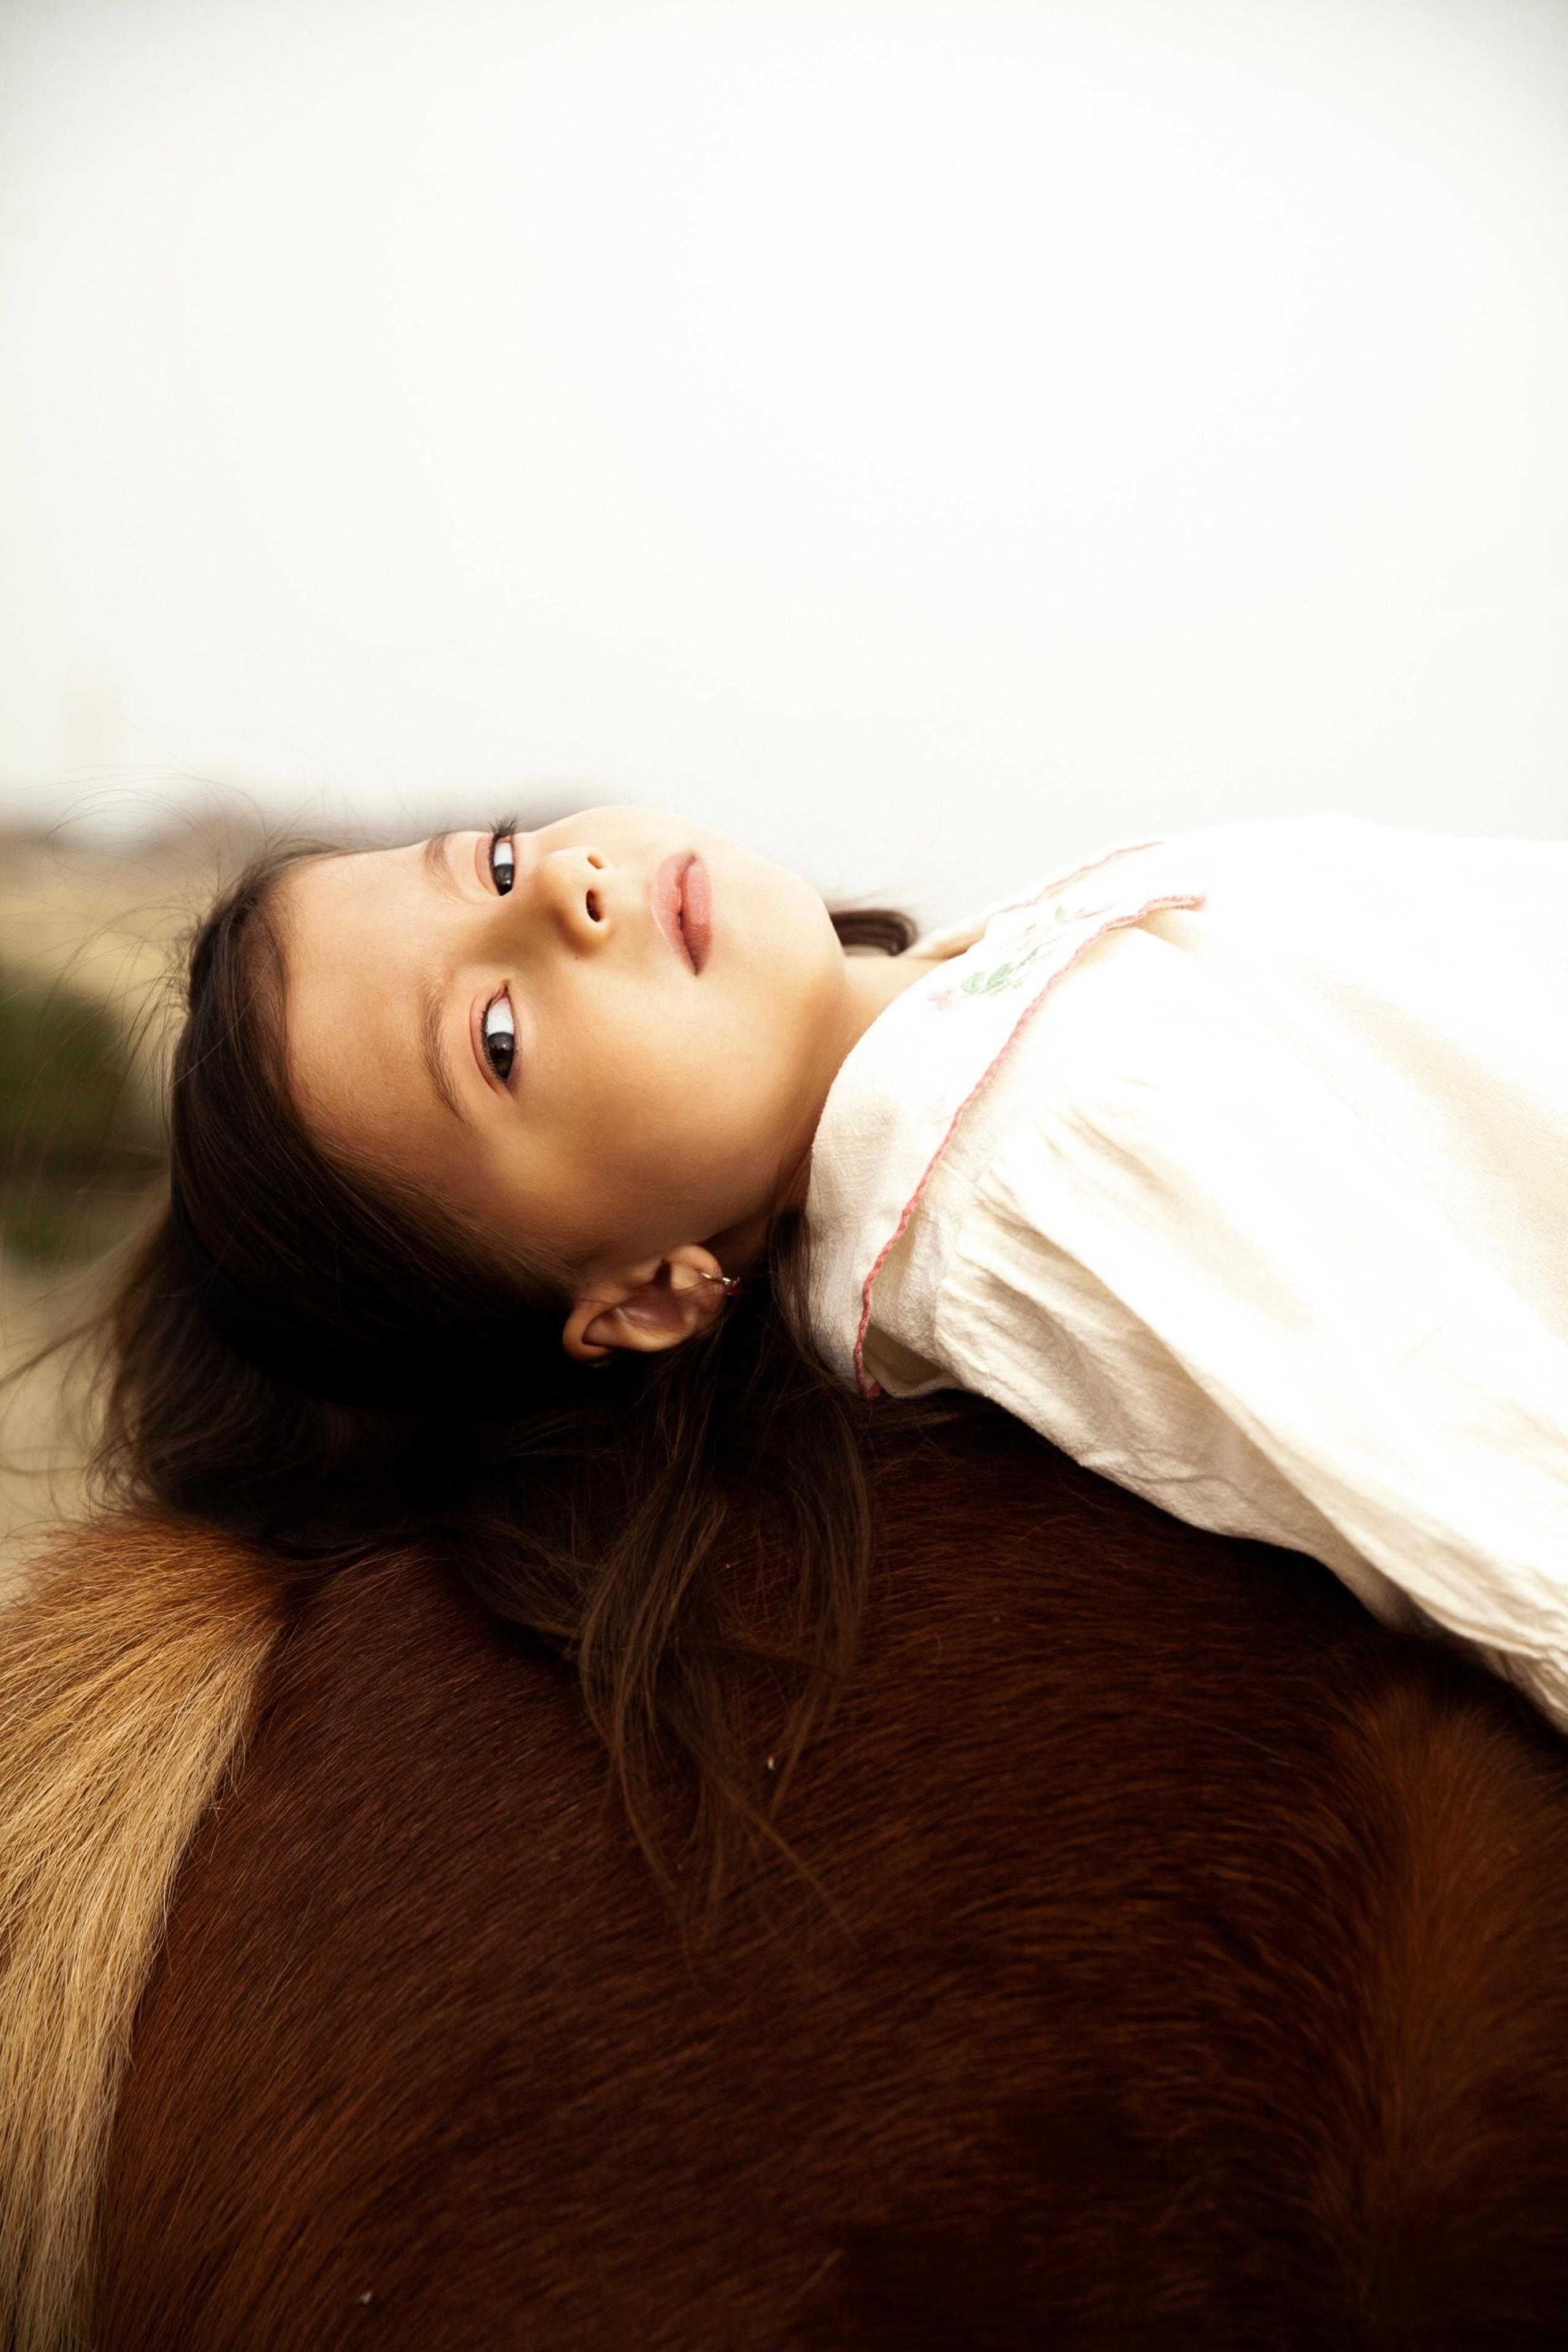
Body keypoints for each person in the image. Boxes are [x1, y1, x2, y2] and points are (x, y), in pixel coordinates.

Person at [76, 807, 1568, 1883]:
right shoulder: (1026, 1194)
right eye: (500, 1040)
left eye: (499, 860)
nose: (567, 899)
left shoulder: (996, 1006)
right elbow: (1494, 1516)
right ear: (652, 1298)